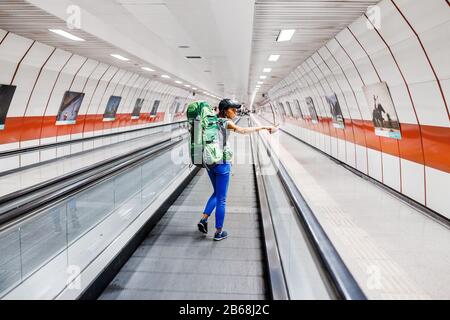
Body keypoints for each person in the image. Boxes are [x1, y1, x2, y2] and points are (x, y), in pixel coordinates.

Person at [197, 98, 277, 241]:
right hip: (222, 163)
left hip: (209, 162)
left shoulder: (209, 121)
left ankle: (203, 219)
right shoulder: (225, 122)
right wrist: (263, 128)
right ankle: (218, 232)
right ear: (224, 110)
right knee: (221, 199)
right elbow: (244, 130)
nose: (235, 112)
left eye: (235, 109)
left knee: (216, 192)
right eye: (232, 109)